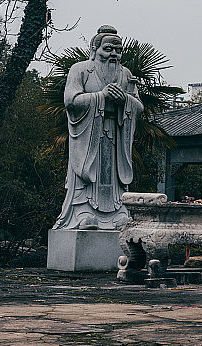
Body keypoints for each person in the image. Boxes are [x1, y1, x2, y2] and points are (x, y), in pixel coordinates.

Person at [54, 25, 143, 230]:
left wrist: (124, 100)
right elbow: (70, 100)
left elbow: (138, 107)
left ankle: (118, 213)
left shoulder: (125, 74)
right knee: (87, 176)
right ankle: (82, 212)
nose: (114, 54)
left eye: (118, 50)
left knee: (113, 178)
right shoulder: (80, 69)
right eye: (108, 49)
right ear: (94, 49)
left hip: (116, 133)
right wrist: (101, 96)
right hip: (89, 133)